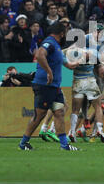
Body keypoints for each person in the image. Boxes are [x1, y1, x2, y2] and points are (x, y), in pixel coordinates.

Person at [18, 23, 80, 151]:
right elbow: (40, 55)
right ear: (62, 33)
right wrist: (49, 72)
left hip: (54, 87)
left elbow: (67, 64)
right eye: (66, 33)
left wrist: (78, 63)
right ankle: (23, 144)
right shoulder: (50, 42)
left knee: (59, 112)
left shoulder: (56, 47)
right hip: (44, 85)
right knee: (39, 115)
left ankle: (64, 146)